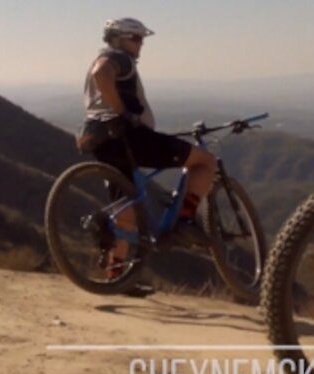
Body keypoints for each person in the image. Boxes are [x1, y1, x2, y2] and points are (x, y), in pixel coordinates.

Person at [78, 18, 217, 276]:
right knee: (205, 161)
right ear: (119, 38)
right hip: (129, 138)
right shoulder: (119, 58)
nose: (141, 44)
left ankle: (116, 276)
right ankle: (185, 221)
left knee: (126, 211)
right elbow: (102, 73)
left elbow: (98, 78)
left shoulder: (101, 61)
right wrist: (123, 113)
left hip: (99, 140)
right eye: (136, 38)